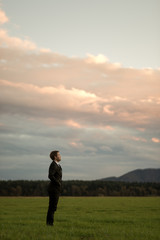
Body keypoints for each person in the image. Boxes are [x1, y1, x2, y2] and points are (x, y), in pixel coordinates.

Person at [46, 150, 62, 226]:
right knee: (52, 207)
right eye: (59, 154)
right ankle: (49, 224)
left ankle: (50, 223)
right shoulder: (53, 165)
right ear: (55, 157)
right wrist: (58, 183)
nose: (60, 156)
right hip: (53, 189)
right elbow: (50, 175)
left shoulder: (58, 165)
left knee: (53, 207)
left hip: (56, 188)